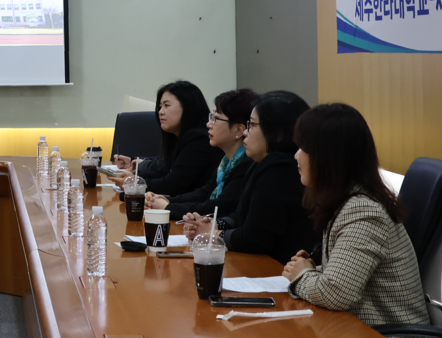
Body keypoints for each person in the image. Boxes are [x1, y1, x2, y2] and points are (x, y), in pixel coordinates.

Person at [282, 103, 434, 338]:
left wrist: (302, 276)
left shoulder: (363, 211)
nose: (296, 155)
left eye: (304, 148)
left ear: (329, 156)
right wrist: (313, 270)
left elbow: (336, 293)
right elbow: (346, 279)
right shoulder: (348, 200)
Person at [183, 90, 317, 264]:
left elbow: (254, 239)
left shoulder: (280, 168)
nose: (246, 132)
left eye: (252, 125)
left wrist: (213, 234)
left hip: (278, 269)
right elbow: (240, 216)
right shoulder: (260, 162)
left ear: (277, 134)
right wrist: (212, 224)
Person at [145, 88, 259, 220]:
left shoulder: (247, 163)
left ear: (239, 130)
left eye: (215, 119)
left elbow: (221, 207)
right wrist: (166, 200)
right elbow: (204, 193)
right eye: (211, 117)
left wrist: (168, 207)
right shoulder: (227, 161)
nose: (208, 124)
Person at [111, 81, 222, 196]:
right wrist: (135, 177)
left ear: (187, 107)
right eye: (160, 107)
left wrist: (135, 183)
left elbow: (173, 185)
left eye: (167, 105)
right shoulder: (180, 137)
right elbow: (165, 170)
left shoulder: (198, 140)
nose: (160, 112)